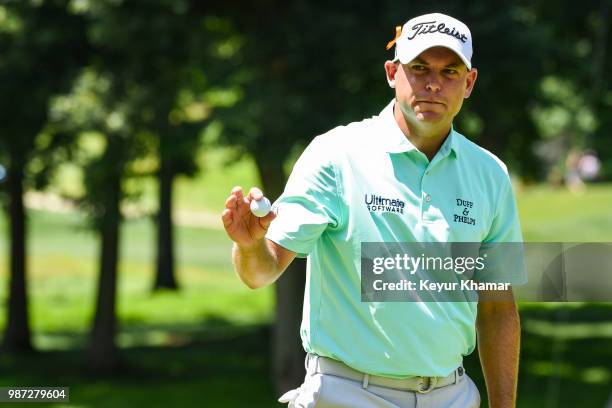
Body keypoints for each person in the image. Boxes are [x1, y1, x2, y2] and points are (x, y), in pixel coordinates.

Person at [222, 12, 525, 408]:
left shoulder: (490, 174)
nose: (433, 83)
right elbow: (263, 270)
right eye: (418, 68)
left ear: (468, 83)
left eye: (450, 71)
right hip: (347, 393)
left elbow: (499, 309)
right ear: (391, 72)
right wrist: (249, 248)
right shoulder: (337, 155)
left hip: (453, 395)